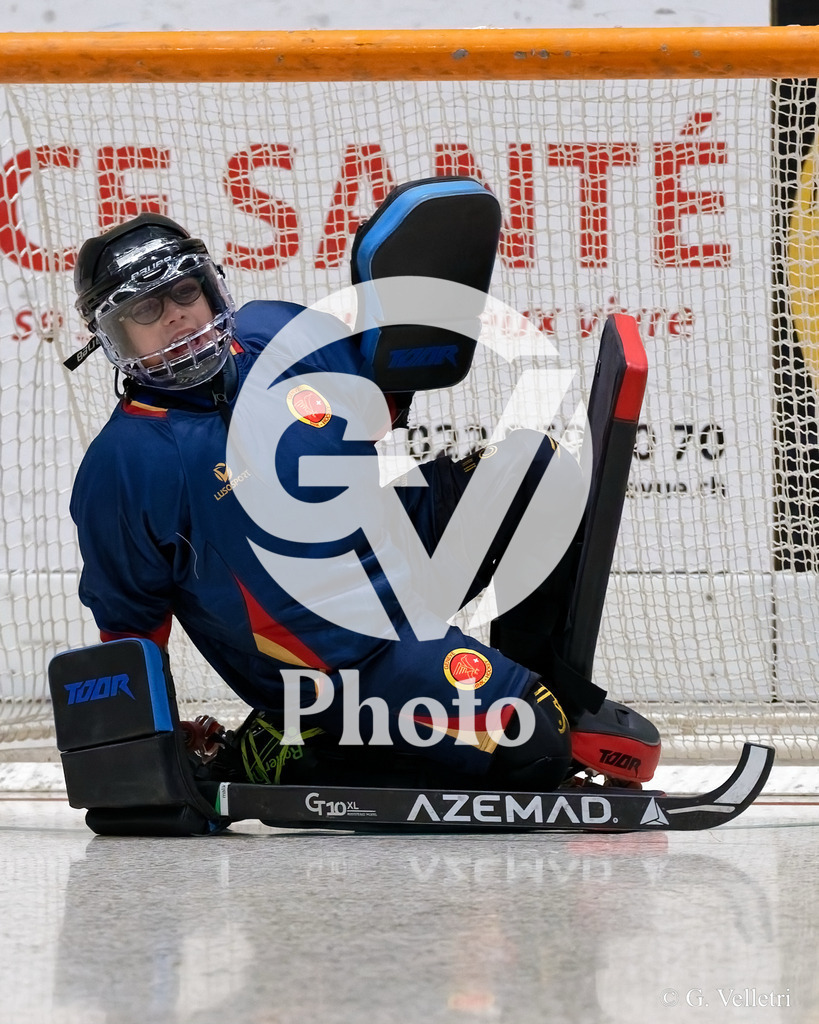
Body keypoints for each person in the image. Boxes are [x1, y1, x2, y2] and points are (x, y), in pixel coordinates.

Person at [69, 206, 660, 796]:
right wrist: (155, 768)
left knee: (541, 471)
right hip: (339, 666)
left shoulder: (273, 331)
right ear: (115, 339)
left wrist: (416, 313)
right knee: (536, 735)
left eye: (184, 292)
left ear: (211, 288)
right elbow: (132, 633)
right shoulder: (122, 465)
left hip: (393, 551)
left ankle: (541, 681)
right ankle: (286, 743)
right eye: (147, 311)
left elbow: (382, 400)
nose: (177, 317)